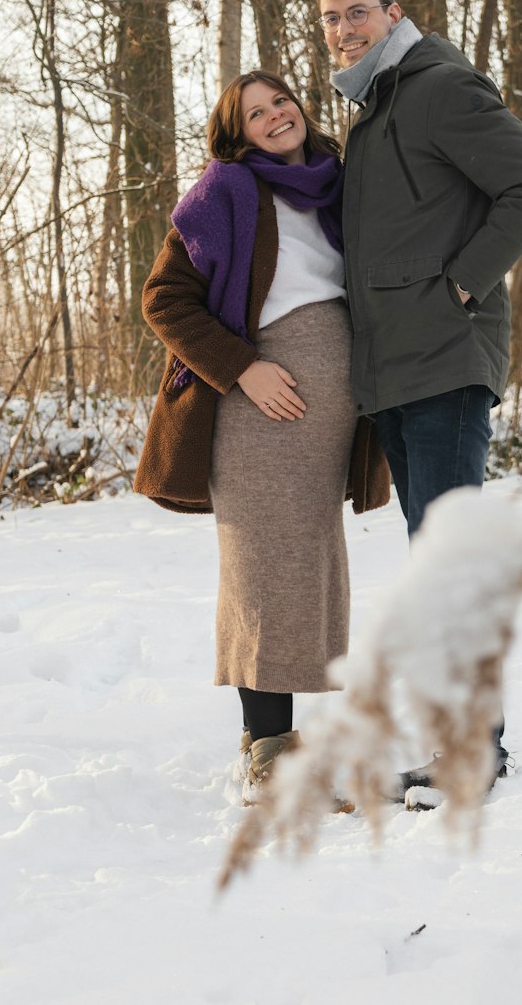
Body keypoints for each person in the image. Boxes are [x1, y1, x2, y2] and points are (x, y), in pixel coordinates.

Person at [317, 0, 522, 793]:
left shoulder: (438, 86)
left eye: (356, 13)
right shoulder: (375, 107)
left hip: (445, 362)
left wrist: (460, 283)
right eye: (331, 20)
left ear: (391, 13)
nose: (344, 30)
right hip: (397, 370)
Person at [134, 70, 389, 802]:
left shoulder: (336, 182)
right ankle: (270, 756)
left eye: (281, 101)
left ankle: (269, 740)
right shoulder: (227, 192)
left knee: (306, 568)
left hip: (329, 415)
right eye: (255, 112)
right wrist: (243, 369)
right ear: (236, 132)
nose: (276, 114)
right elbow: (163, 299)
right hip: (259, 409)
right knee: (264, 570)